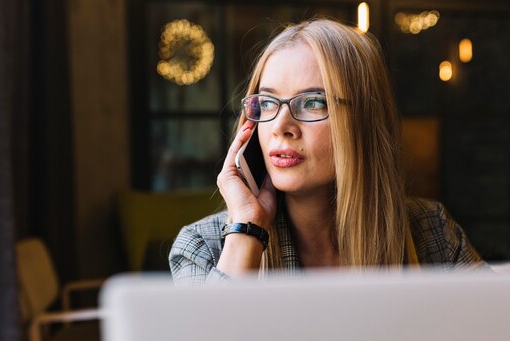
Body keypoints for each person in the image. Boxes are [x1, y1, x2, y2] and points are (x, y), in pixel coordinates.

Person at [169, 19, 485, 285]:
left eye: (313, 102)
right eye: (267, 103)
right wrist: (247, 231)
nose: (281, 126)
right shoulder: (203, 247)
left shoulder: (431, 232)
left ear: (363, 121)